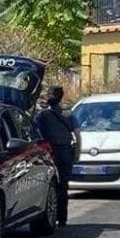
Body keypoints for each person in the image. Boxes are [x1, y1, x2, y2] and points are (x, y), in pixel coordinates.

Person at [34, 86, 81, 226]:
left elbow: (35, 135)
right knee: (63, 186)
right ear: (61, 97)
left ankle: (49, 217)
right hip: (65, 152)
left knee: (49, 185)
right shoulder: (68, 114)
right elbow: (77, 135)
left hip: (49, 153)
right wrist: (77, 153)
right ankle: (62, 219)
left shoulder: (41, 116)